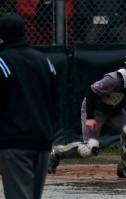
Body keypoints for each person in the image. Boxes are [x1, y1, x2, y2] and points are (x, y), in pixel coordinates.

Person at [48, 47, 126, 178]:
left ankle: (125, 169)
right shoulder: (115, 79)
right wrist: (90, 117)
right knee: (90, 150)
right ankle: (57, 152)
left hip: (115, 111)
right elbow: (91, 92)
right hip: (96, 109)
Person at [0, 13, 58, 199]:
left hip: (14, 142)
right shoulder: (44, 61)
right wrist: (48, 131)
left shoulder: (3, 61)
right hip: (42, 140)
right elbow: (55, 101)